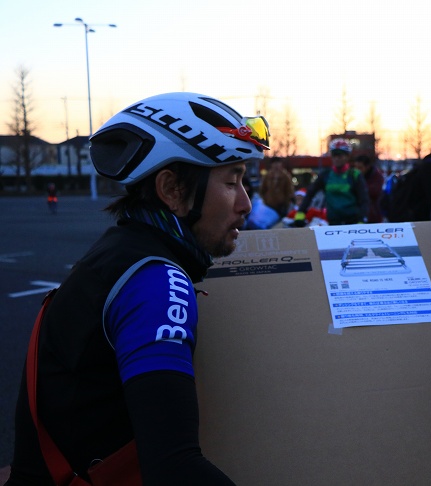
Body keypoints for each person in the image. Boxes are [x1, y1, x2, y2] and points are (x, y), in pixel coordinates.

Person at [5, 92, 269, 485]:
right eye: (231, 182)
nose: (246, 203)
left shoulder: (119, 252)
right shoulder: (159, 283)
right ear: (172, 190)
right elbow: (174, 468)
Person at [295, 138, 369, 225]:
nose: (337, 158)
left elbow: (364, 199)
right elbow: (310, 193)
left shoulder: (355, 175)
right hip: (332, 221)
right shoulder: (325, 175)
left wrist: (362, 219)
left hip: (353, 221)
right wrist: (300, 213)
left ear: (348, 156)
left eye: (340, 155)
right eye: (334, 155)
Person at [353, 154, 385, 223]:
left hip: (372, 217)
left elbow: (374, 192)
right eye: (356, 167)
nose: (357, 170)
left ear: (367, 167)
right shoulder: (354, 176)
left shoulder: (377, 177)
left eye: (360, 167)